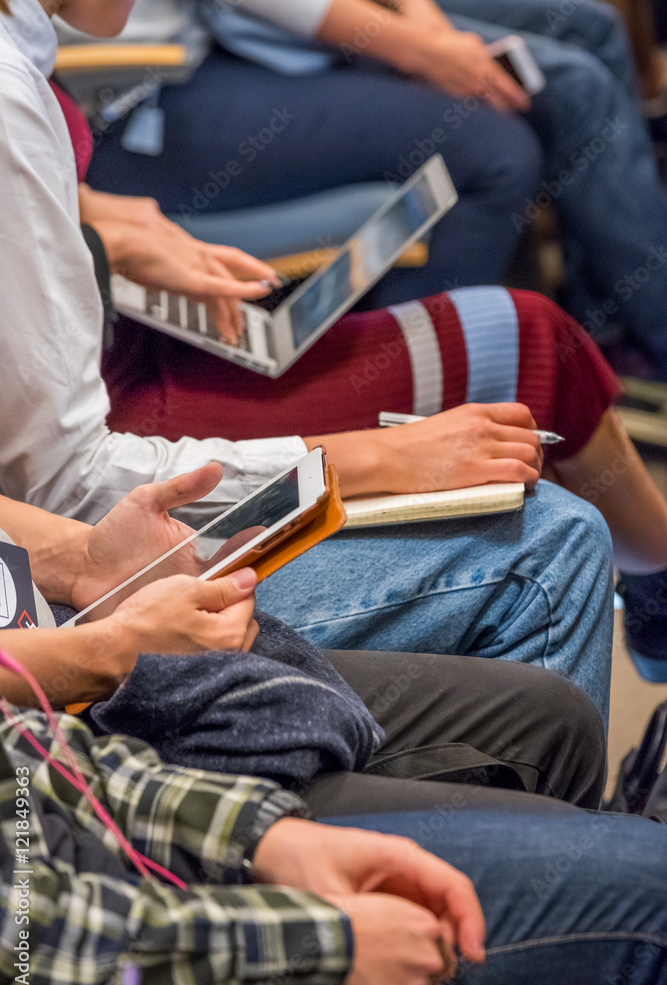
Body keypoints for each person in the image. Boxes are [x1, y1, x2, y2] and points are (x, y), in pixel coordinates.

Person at [0, 0, 616, 720]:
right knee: (550, 532)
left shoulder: (22, 71)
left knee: (522, 357)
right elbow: (63, 485)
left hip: (86, 452)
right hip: (55, 566)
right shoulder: (12, 96)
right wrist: (375, 461)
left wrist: (98, 225)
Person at [69, 0, 667, 371]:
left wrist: (424, 26)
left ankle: (605, 333)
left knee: (590, 31)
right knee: (510, 142)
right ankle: (411, 389)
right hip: (147, 92)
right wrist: (420, 50)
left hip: (223, 43)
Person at [0, 462, 606, 808]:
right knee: (551, 546)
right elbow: (73, 457)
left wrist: (83, 564)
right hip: (45, 753)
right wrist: (106, 651)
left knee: (556, 717)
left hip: (59, 626)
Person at [0, 704, 665, 985]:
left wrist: (264, 835)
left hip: (87, 868)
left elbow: (21, 747)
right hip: (104, 954)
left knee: (551, 718)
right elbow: (23, 943)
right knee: (648, 888)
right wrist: (324, 944)